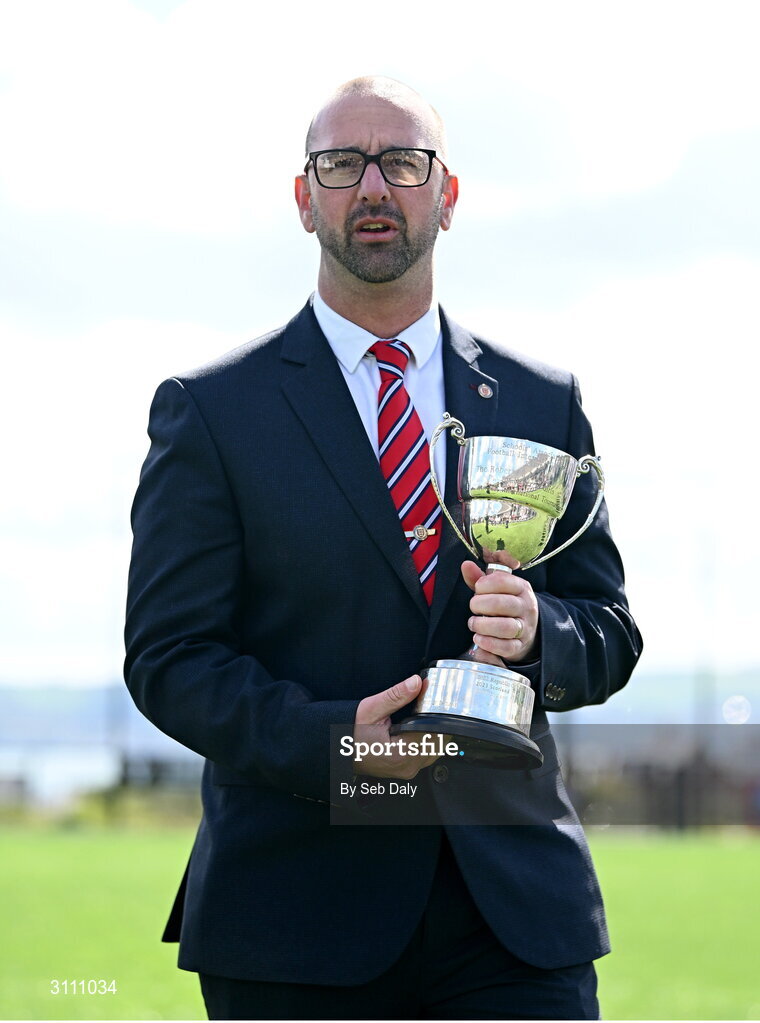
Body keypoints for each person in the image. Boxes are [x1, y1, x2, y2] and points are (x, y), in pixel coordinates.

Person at [124, 76, 642, 1020]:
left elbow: (608, 629)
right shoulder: (211, 412)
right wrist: (334, 744)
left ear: (446, 196)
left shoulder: (540, 400)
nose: (373, 186)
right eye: (341, 163)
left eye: (403, 162)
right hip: (295, 916)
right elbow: (168, 660)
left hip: (516, 916)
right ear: (303, 197)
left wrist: (537, 634)